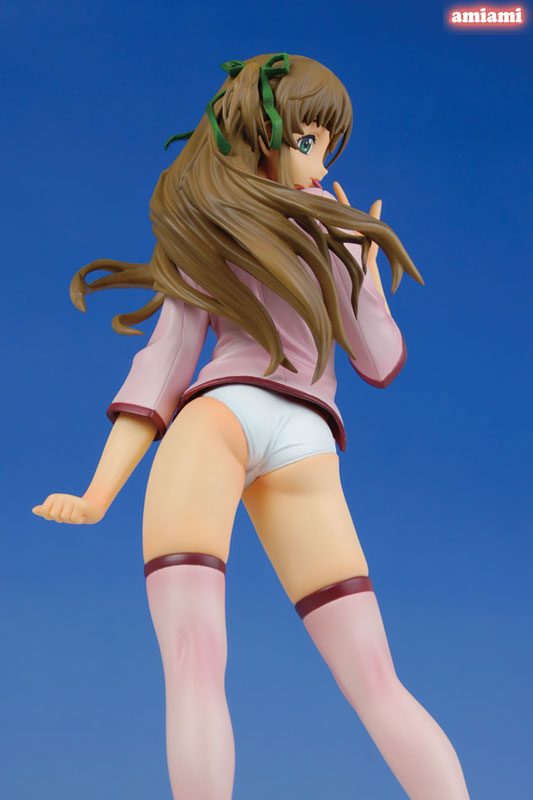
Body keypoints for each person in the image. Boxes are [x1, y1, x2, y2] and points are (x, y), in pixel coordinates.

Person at [33, 53, 470, 800]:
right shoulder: (324, 234)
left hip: (220, 421)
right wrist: (362, 271)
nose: (320, 164)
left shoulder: (212, 227)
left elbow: (163, 372)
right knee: (375, 679)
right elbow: (379, 360)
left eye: (326, 147)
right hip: (307, 440)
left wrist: (99, 495)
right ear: (264, 134)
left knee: (195, 663)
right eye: (308, 141)